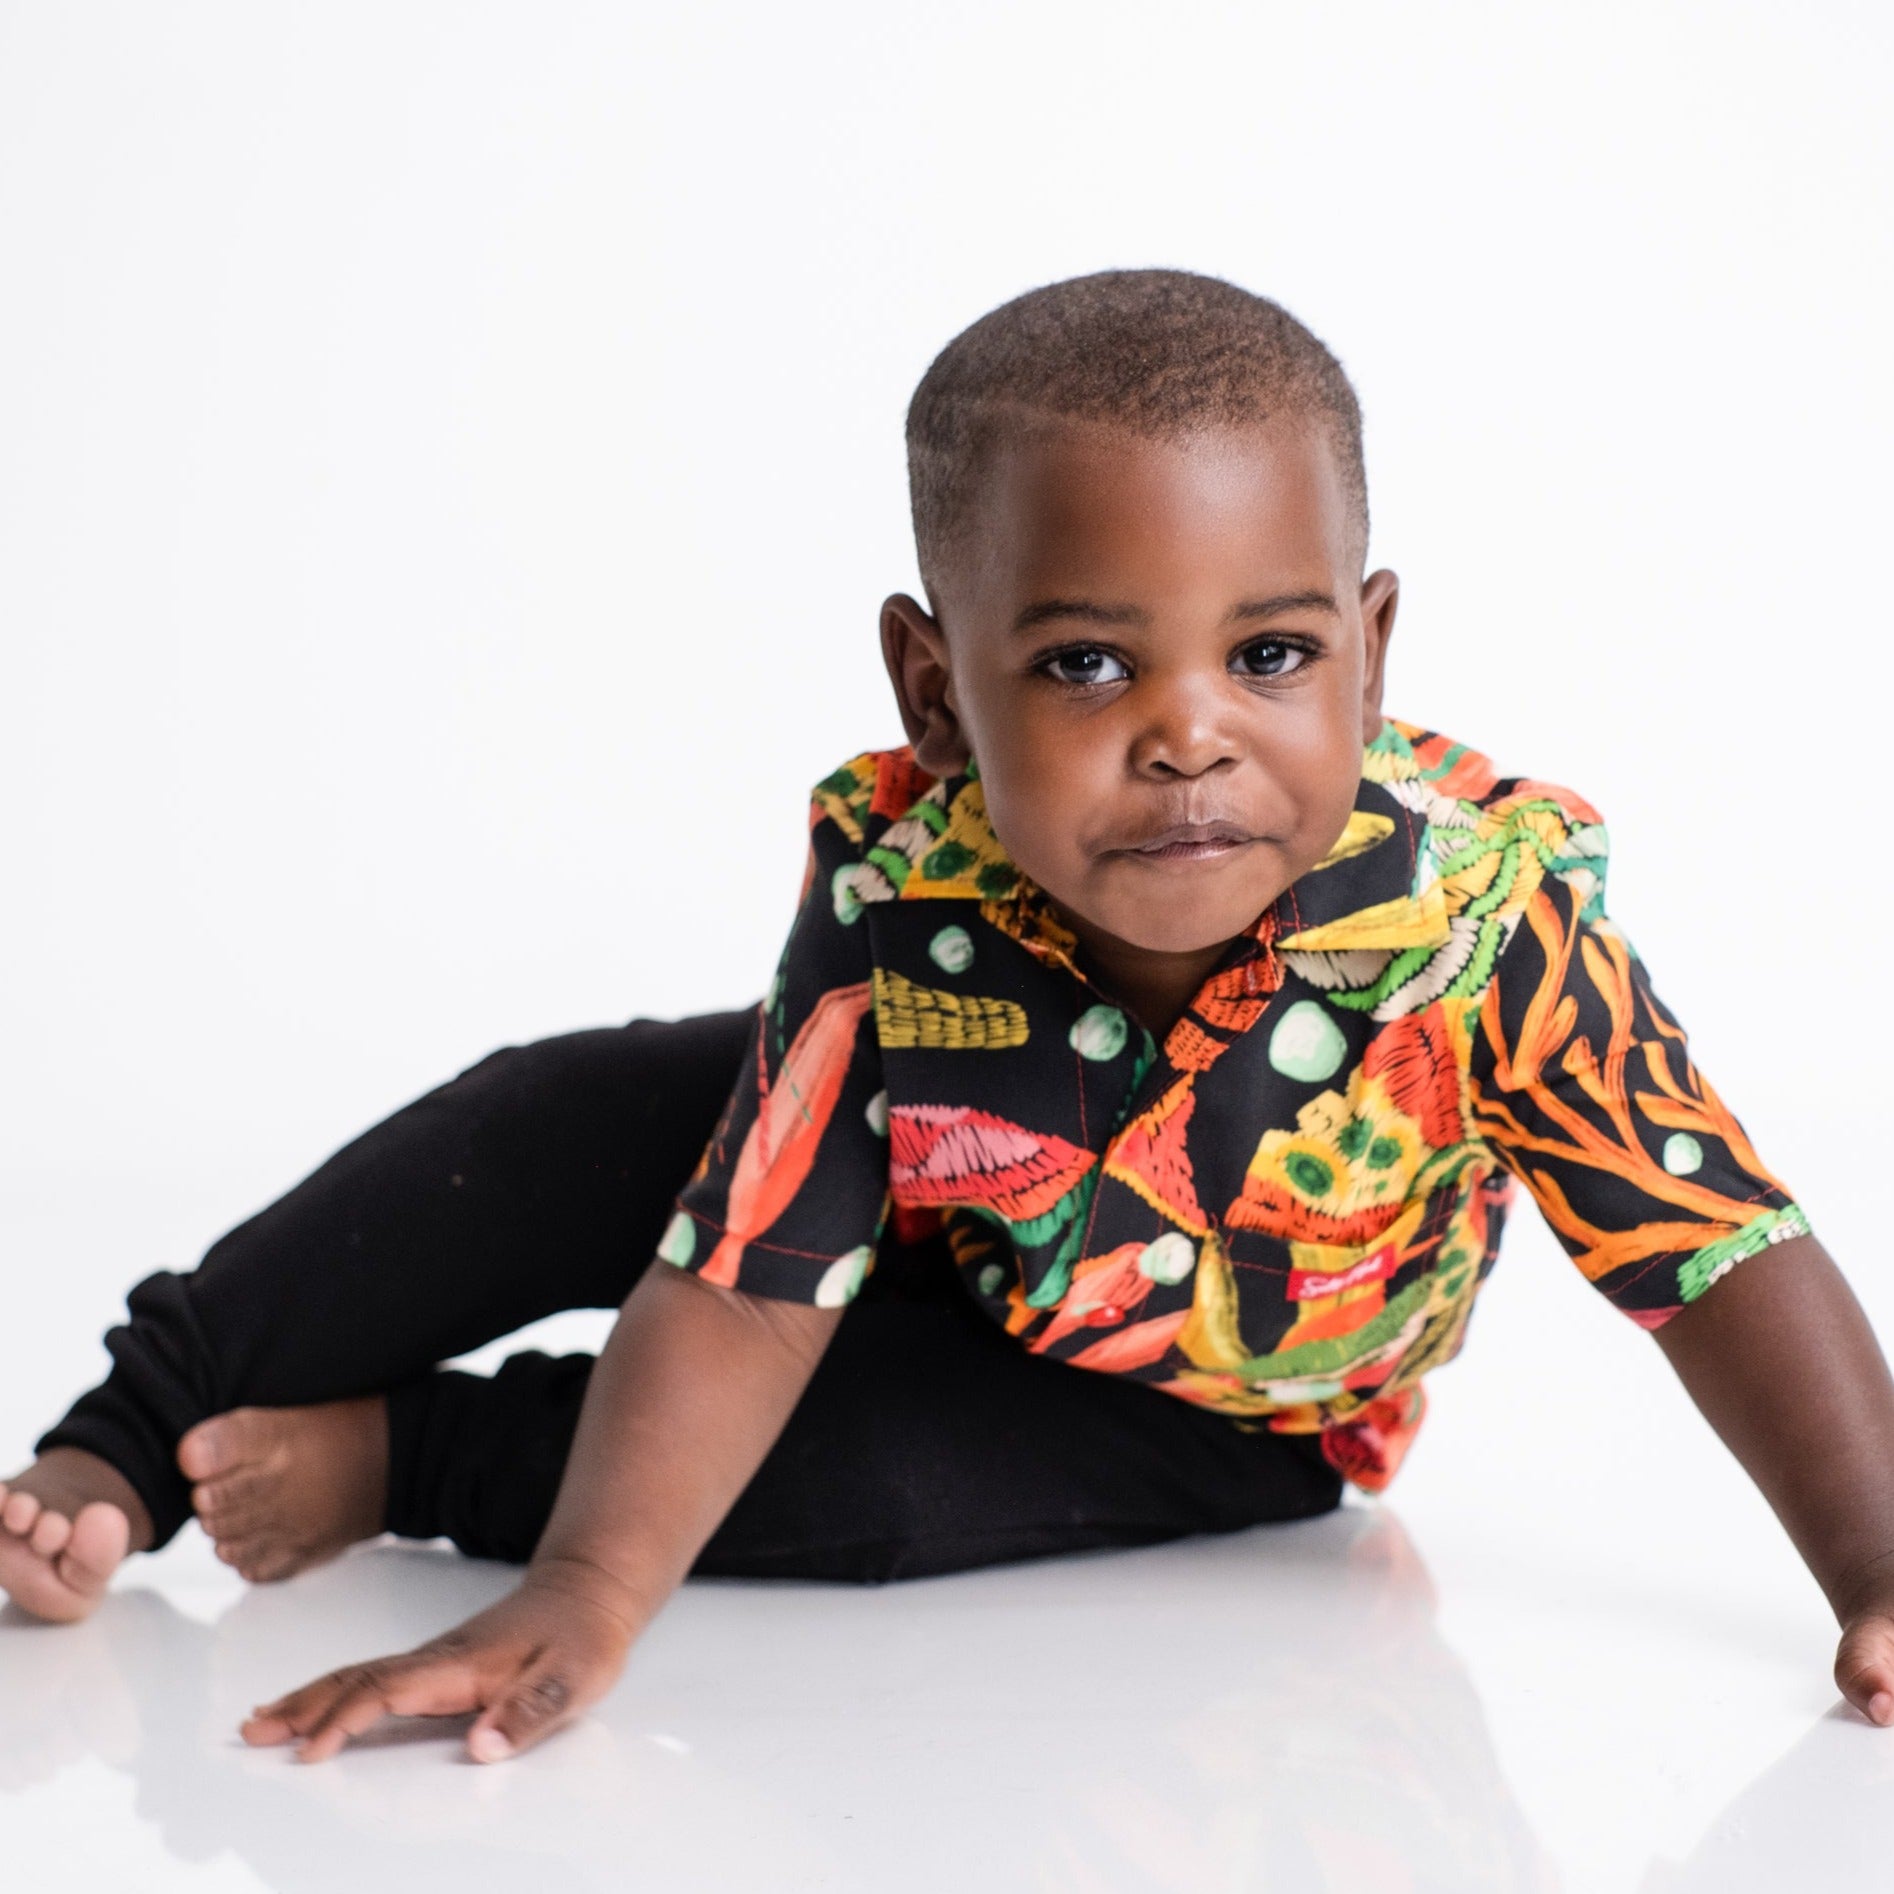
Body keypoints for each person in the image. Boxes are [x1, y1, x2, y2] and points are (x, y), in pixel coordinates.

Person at [6, 269, 1894, 1767]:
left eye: (1270, 653)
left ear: (1369, 648)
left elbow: (1712, 1249)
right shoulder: (906, 895)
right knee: (563, 1117)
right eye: (1084, 662)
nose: (1188, 730)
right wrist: (597, 1587)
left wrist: (1877, 1562)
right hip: (926, 1200)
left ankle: (402, 1455)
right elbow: (748, 1282)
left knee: (879, 1481)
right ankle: (130, 1432)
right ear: (933, 687)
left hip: (1212, 1394)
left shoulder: (1479, 921)